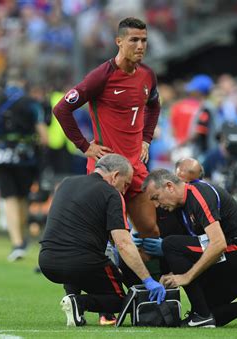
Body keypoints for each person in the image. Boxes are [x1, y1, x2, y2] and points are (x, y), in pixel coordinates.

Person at [52, 17, 161, 239]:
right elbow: (61, 109)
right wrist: (84, 146)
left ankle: (142, 275)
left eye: (144, 40)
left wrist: (146, 139)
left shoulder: (147, 75)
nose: (140, 46)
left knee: (151, 231)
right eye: (134, 40)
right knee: (105, 235)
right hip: (107, 166)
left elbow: (154, 105)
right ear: (119, 42)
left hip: (136, 166)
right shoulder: (101, 76)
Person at [38, 154, 166, 327]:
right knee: (124, 300)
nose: (124, 190)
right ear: (115, 176)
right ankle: (79, 303)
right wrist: (147, 280)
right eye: (126, 184)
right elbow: (122, 243)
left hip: (47, 262)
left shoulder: (66, 183)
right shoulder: (112, 194)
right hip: (81, 261)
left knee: (75, 253)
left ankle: (71, 300)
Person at [142, 169, 237, 328]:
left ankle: (201, 317)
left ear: (170, 186)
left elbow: (218, 243)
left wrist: (186, 276)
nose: (157, 205)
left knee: (170, 245)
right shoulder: (181, 207)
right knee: (210, 310)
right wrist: (176, 272)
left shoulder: (199, 194)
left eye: (156, 198)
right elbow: (197, 246)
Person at [0, 69, 49, 262]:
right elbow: (44, 137)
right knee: (23, 197)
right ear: (23, 83)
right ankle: (22, 239)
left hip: (1, 156)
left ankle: (17, 243)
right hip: (25, 157)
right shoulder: (31, 103)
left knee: (8, 197)